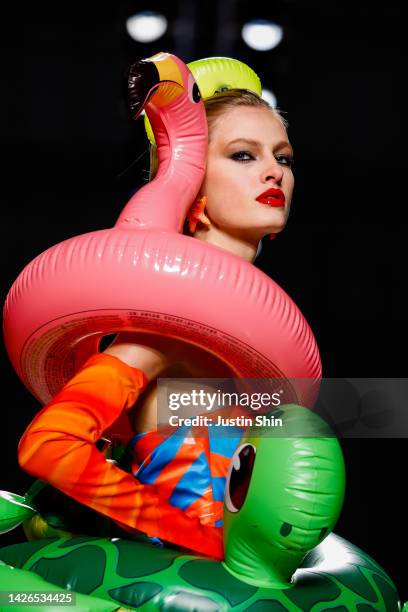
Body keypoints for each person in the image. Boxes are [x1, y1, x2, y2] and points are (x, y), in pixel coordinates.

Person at [17, 89, 295, 559]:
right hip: (184, 587)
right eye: (243, 155)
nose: (275, 172)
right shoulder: (167, 331)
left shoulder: (249, 348)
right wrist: (189, 534)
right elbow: (49, 444)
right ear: (195, 192)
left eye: (284, 157)